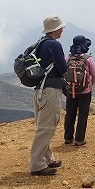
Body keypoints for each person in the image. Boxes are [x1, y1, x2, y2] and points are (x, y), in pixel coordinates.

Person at [29, 15, 68, 176]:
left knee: (44, 126)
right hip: (51, 90)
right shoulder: (54, 45)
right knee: (47, 127)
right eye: (61, 27)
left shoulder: (40, 43)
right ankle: (37, 164)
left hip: (39, 89)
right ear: (56, 29)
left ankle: (48, 157)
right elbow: (63, 68)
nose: (62, 30)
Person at [63, 35, 95, 146]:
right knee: (83, 115)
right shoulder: (88, 59)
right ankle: (79, 139)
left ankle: (68, 138)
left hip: (71, 90)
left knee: (70, 114)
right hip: (85, 91)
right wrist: (89, 85)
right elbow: (94, 74)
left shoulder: (68, 58)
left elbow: (64, 72)